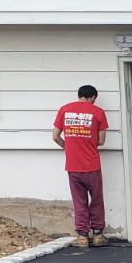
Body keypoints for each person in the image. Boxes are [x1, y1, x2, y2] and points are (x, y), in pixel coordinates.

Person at [52, 85, 109, 247]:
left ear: (79, 95)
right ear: (93, 97)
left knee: (79, 201)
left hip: (73, 164)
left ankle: (82, 237)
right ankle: (98, 235)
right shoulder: (98, 112)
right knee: (96, 199)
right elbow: (101, 140)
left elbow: (55, 136)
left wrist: (68, 148)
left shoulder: (64, 110)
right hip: (92, 164)